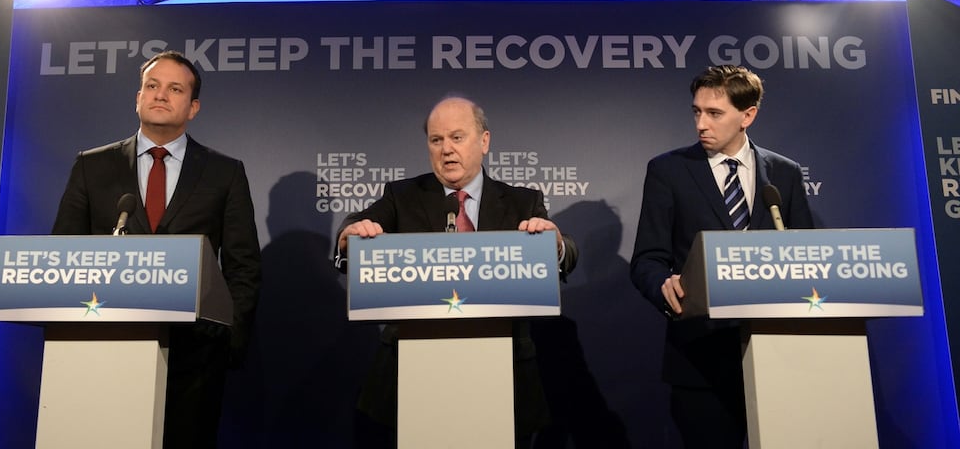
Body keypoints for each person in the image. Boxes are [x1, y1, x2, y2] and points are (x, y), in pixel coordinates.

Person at [335, 95, 578, 448]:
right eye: (436, 140)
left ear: (484, 141)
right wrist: (349, 237)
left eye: (457, 137)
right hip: (413, 376)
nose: (446, 149)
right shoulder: (401, 196)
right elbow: (355, 226)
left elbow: (567, 253)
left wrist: (553, 244)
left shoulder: (522, 201)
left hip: (502, 375)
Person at [51, 50, 262, 449]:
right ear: (138, 98)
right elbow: (64, 252)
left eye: (175, 89)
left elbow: (243, 265)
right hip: (103, 348)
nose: (160, 95)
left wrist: (226, 343)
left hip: (194, 356)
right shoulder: (91, 166)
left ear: (193, 107)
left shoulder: (224, 172)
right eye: (152, 86)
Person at [630, 65, 813, 449]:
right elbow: (647, 258)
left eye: (714, 113)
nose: (701, 123)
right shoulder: (668, 171)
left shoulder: (785, 173)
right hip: (701, 358)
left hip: (780, 353)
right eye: (697, 111)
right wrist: (664, 285)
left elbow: (806, 255)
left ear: (748, 115)